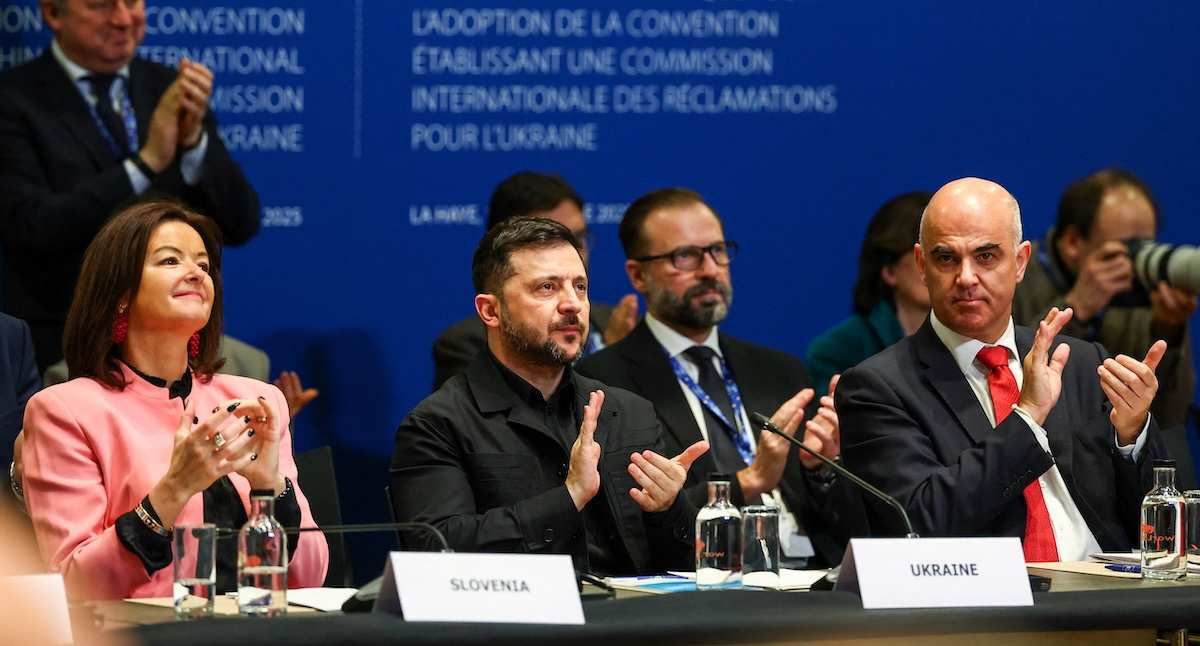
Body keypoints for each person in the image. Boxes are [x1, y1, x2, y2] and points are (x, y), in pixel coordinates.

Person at [837, 177, 1169, 558]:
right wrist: (1027, 417)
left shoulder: (1080, 363)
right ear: (921, 265)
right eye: (946, 258)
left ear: (1021, 262)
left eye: (986, 256)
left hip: (1108, 593)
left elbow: (1157, 526)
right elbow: (918, 523)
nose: (965, 278)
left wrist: (1131, 435)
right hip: (991, 606)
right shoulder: (878, 388)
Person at [21, 201, 326, 600]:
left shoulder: (255, 399)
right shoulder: (64, 411)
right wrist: (174, 489)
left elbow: (312, 574)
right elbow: (76, 585)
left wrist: (271, 488)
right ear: (121, 293)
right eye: (170, 261)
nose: (196, 273)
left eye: (203, 264)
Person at [392, 216, 708, 575]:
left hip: (633, 622)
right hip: (516, 626)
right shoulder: (438, 425)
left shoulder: (629, 413)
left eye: (580, 287)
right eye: (547, 288)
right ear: (490, 311)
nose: (572, 304)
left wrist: (670, 509)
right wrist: (569, 496)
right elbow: (436, 551)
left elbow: (682, 568)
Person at [576, 188, 863, 568]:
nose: (710, 269)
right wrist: (748, 483)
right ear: (638, 275)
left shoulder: (779, 371)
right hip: (701, 590)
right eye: (686, 256)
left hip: (809, 583)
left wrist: (821, 469)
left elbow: (844, 523)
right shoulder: (607, 384)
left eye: (717, 251)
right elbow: (632, 521)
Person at [0, 0, 260, 372]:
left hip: (174, 351)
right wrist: (146, 163)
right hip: (61, 345)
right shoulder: (13, 98)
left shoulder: (167, 87)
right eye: (101, 6)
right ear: (53, 14)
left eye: (133, 3)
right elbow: (30, 226)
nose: (124, 19)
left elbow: (241, 221)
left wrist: (192, 146)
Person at [1013, 169, 1195, 429]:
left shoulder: (1144, 290)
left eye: (1146, 246)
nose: (1136, 261)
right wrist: (1077, 306)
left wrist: (1168, 330)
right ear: (1073, 243)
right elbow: (1006, 387)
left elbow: (1170, 417)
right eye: (1127, 248)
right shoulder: (1017, 280)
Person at [431, 171, 637, 390]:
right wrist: (609, 360)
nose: (574, 251)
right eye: (551, 240)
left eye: (579, 237)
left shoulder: (617, 325)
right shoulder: (464, 344)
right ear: (505, 243)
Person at [806, 192, 931, 396]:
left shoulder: (975, 339)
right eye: (926, 255)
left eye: (945, 256)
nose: (939, 268)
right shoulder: (836, 353)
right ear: (890, 270)